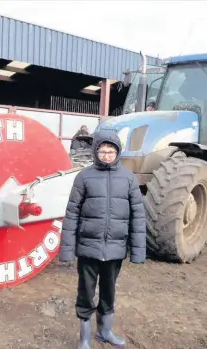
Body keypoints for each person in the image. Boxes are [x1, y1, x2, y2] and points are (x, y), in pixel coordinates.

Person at [59, 128, 146, 349]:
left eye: (111, 151)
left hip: (115, 249)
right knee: (86, 292)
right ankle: (85, 338)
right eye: (103, 151)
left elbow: (138, 215)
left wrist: (138, 251)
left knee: (109, 292)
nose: (107, 155)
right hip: (88, 248)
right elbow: (72, 213)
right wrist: (68, 249)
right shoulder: (84, 177)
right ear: (95, 152)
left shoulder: (128, 178)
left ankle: (105, 331)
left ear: (118, 152)